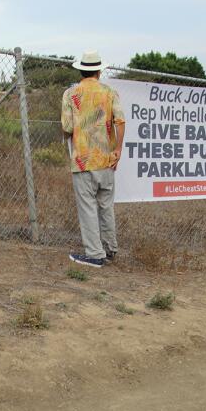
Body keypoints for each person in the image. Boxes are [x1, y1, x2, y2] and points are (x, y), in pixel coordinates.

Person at [61, 50, 125, 268]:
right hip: (106, 160)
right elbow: (120, 121)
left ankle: (95, 254)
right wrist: (117, 150)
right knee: (106, 205)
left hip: (83, 161)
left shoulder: (71, 94)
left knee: (87, 207)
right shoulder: (110, 92)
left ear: (81, 70)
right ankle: (110, 248)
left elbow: (67, 127)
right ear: (99, 70)